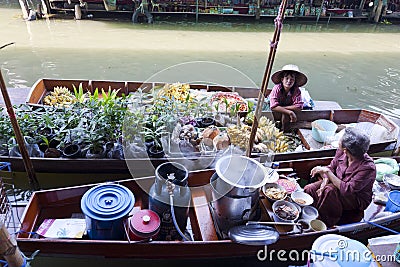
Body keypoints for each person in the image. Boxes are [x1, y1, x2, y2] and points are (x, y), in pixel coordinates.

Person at [304, 127, 377, 228]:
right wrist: (325, 180)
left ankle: (324, 222)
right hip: (336, 184)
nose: (339, 141)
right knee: (309, 189)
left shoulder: (368, 168)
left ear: (346, 149)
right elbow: (331, 167)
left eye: (340, 140)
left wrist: (328, 173)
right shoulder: (341, 151)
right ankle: (308, 214)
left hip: (355, 198)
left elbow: (348, 190)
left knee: (329, 190)